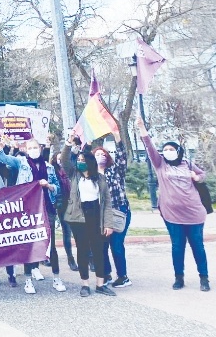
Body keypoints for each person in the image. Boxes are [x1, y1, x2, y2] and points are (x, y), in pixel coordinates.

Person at [136, 117, 209, 291]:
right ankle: (179, 277)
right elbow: (149, 146)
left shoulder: (187, 163)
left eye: (171, 149)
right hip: (172, 215)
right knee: (177, 246)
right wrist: (141, 128)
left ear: (178, 151)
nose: (167, 151)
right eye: (165, 149)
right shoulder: (160, 164)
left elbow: (203, 174)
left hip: (194, 213)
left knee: (197, 245)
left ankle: (204, 278)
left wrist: (196, 177)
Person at [0, 133, 65, 294]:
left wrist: (50, 186)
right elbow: (1, 157)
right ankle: (28, 280)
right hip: (28, 211)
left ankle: (56, 278)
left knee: (50, 245)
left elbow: (57, 188)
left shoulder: (49, 167)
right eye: (30, 148)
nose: (33, 150)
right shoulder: (22, 163)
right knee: (29, 245)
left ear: (40, 148)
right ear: (26, 150)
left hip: (46, 209)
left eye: (35, 147)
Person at [60, 139, 117, 297]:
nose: (80, 162)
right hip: (78, 217)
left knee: (98, 251)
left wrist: (108, 224)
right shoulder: (74, 175)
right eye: (78, 160)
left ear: (90, 162)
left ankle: (100, 284)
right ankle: (84, 284)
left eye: (83, 160)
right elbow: (65, 160)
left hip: (96, 216)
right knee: (82, 251)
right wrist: (68, 144)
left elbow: (107, 204)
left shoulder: (100, 179)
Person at [92, 132, 132, 287]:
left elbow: (122, 157)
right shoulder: (91, 175)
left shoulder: (115, 170)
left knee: (116, 245)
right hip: (100, 215)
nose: (100, 156)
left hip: (119, 212)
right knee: (102, 246)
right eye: (97, 155)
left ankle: (123, 276)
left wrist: (118, 138)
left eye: (103, 154)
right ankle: (106, 274)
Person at [51, 151, 78, 272]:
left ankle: (88, 257)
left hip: (74, 204)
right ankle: (70, 258)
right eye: (58, 159)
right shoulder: (53, 172)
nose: (60, 161)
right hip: (62, 205)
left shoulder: (70, 171)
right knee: (66, 232)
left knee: (78, 232)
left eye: (61, 159)